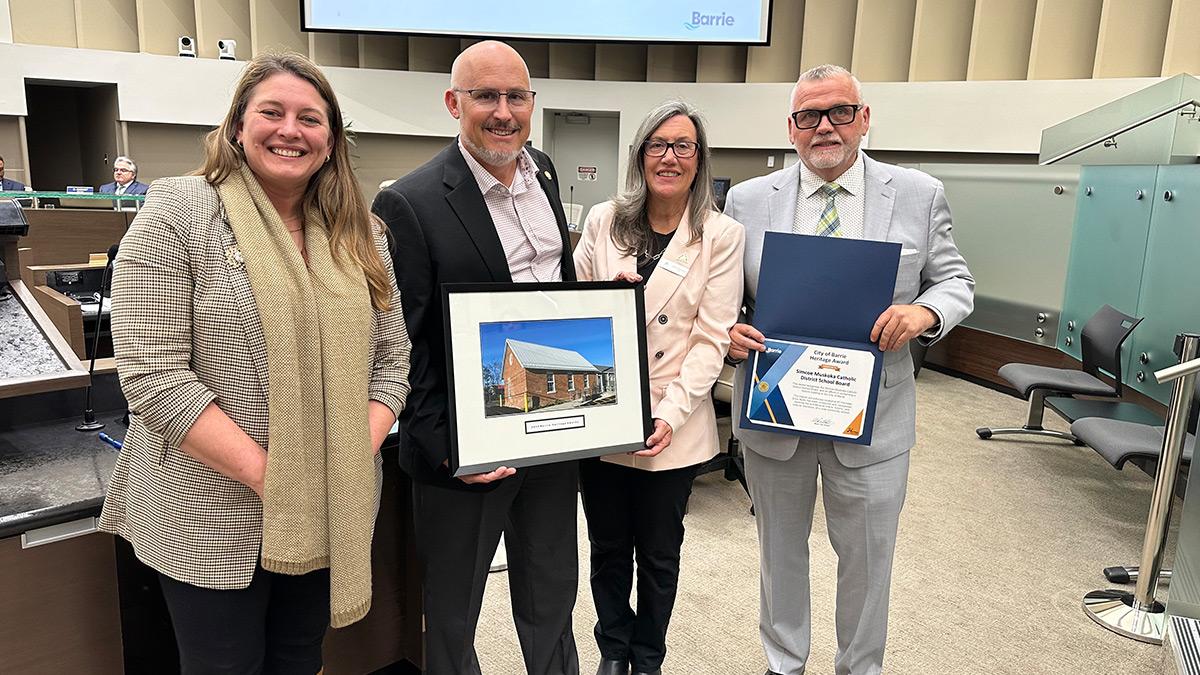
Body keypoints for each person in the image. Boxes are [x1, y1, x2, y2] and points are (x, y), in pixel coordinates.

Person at [98, 52, 411, 674]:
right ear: (238, 125)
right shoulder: (179, 212)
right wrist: (283, 481)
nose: (289, 130)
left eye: (310, 118)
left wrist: (345, 464)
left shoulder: (361, 233)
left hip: (333, 507)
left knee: (299, 658)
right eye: (271, 112)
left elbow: (392, 361)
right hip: (208, 509)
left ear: (331, 140)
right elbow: (154, 377)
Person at [724, 64, 974, 675]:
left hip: (875, 416)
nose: (824, 127)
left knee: (867, 560)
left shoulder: (918, 193)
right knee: (778, 553)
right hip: (775, 408)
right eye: (809, 116)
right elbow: (727, 298)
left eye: (839, 112)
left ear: (864, 119)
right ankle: (784, 662)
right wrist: (728, 330)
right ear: (791, 128)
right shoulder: (748, 200)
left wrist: (923, 313)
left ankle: (858, 668)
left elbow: (955, 281)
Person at [371, 40, 579, 675]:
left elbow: (556, 292)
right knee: (453, 615)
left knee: (551, 595)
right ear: (452, 102)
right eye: (485, 96)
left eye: (516, 96)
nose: (503, 111)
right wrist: (446, 450)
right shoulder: (408, 202)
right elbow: (402, 341)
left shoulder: (542, 170)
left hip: (548, 430)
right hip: (462, 449)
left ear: (532, 104)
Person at [573, 100, 744, 675]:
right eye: (658, 145)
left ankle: (648, 656)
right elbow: (570, 304)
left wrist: (668, 415)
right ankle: (612, 650)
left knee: (660, 552)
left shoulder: (721, 234)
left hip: (674, 417)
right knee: (607, 548)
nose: (669, 157)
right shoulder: (603, 220)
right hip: (601, 410)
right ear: (640, 154)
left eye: (683, 146)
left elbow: (711, 338)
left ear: (699, 160)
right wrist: (605, 290)